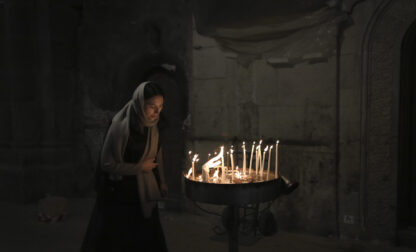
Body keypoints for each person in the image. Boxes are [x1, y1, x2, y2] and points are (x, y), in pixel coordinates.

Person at [81, 81, 168, 252]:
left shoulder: (153, 126)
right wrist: (139, 168)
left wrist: (162, 181)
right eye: (152, 106)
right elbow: (106, 164)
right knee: (120, 238)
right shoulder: (120, 126)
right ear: (140, 103)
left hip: (144, 189)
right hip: (121, 192)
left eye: (160, 106)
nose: (157, 111)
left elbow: (157, 154)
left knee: (146, 237)